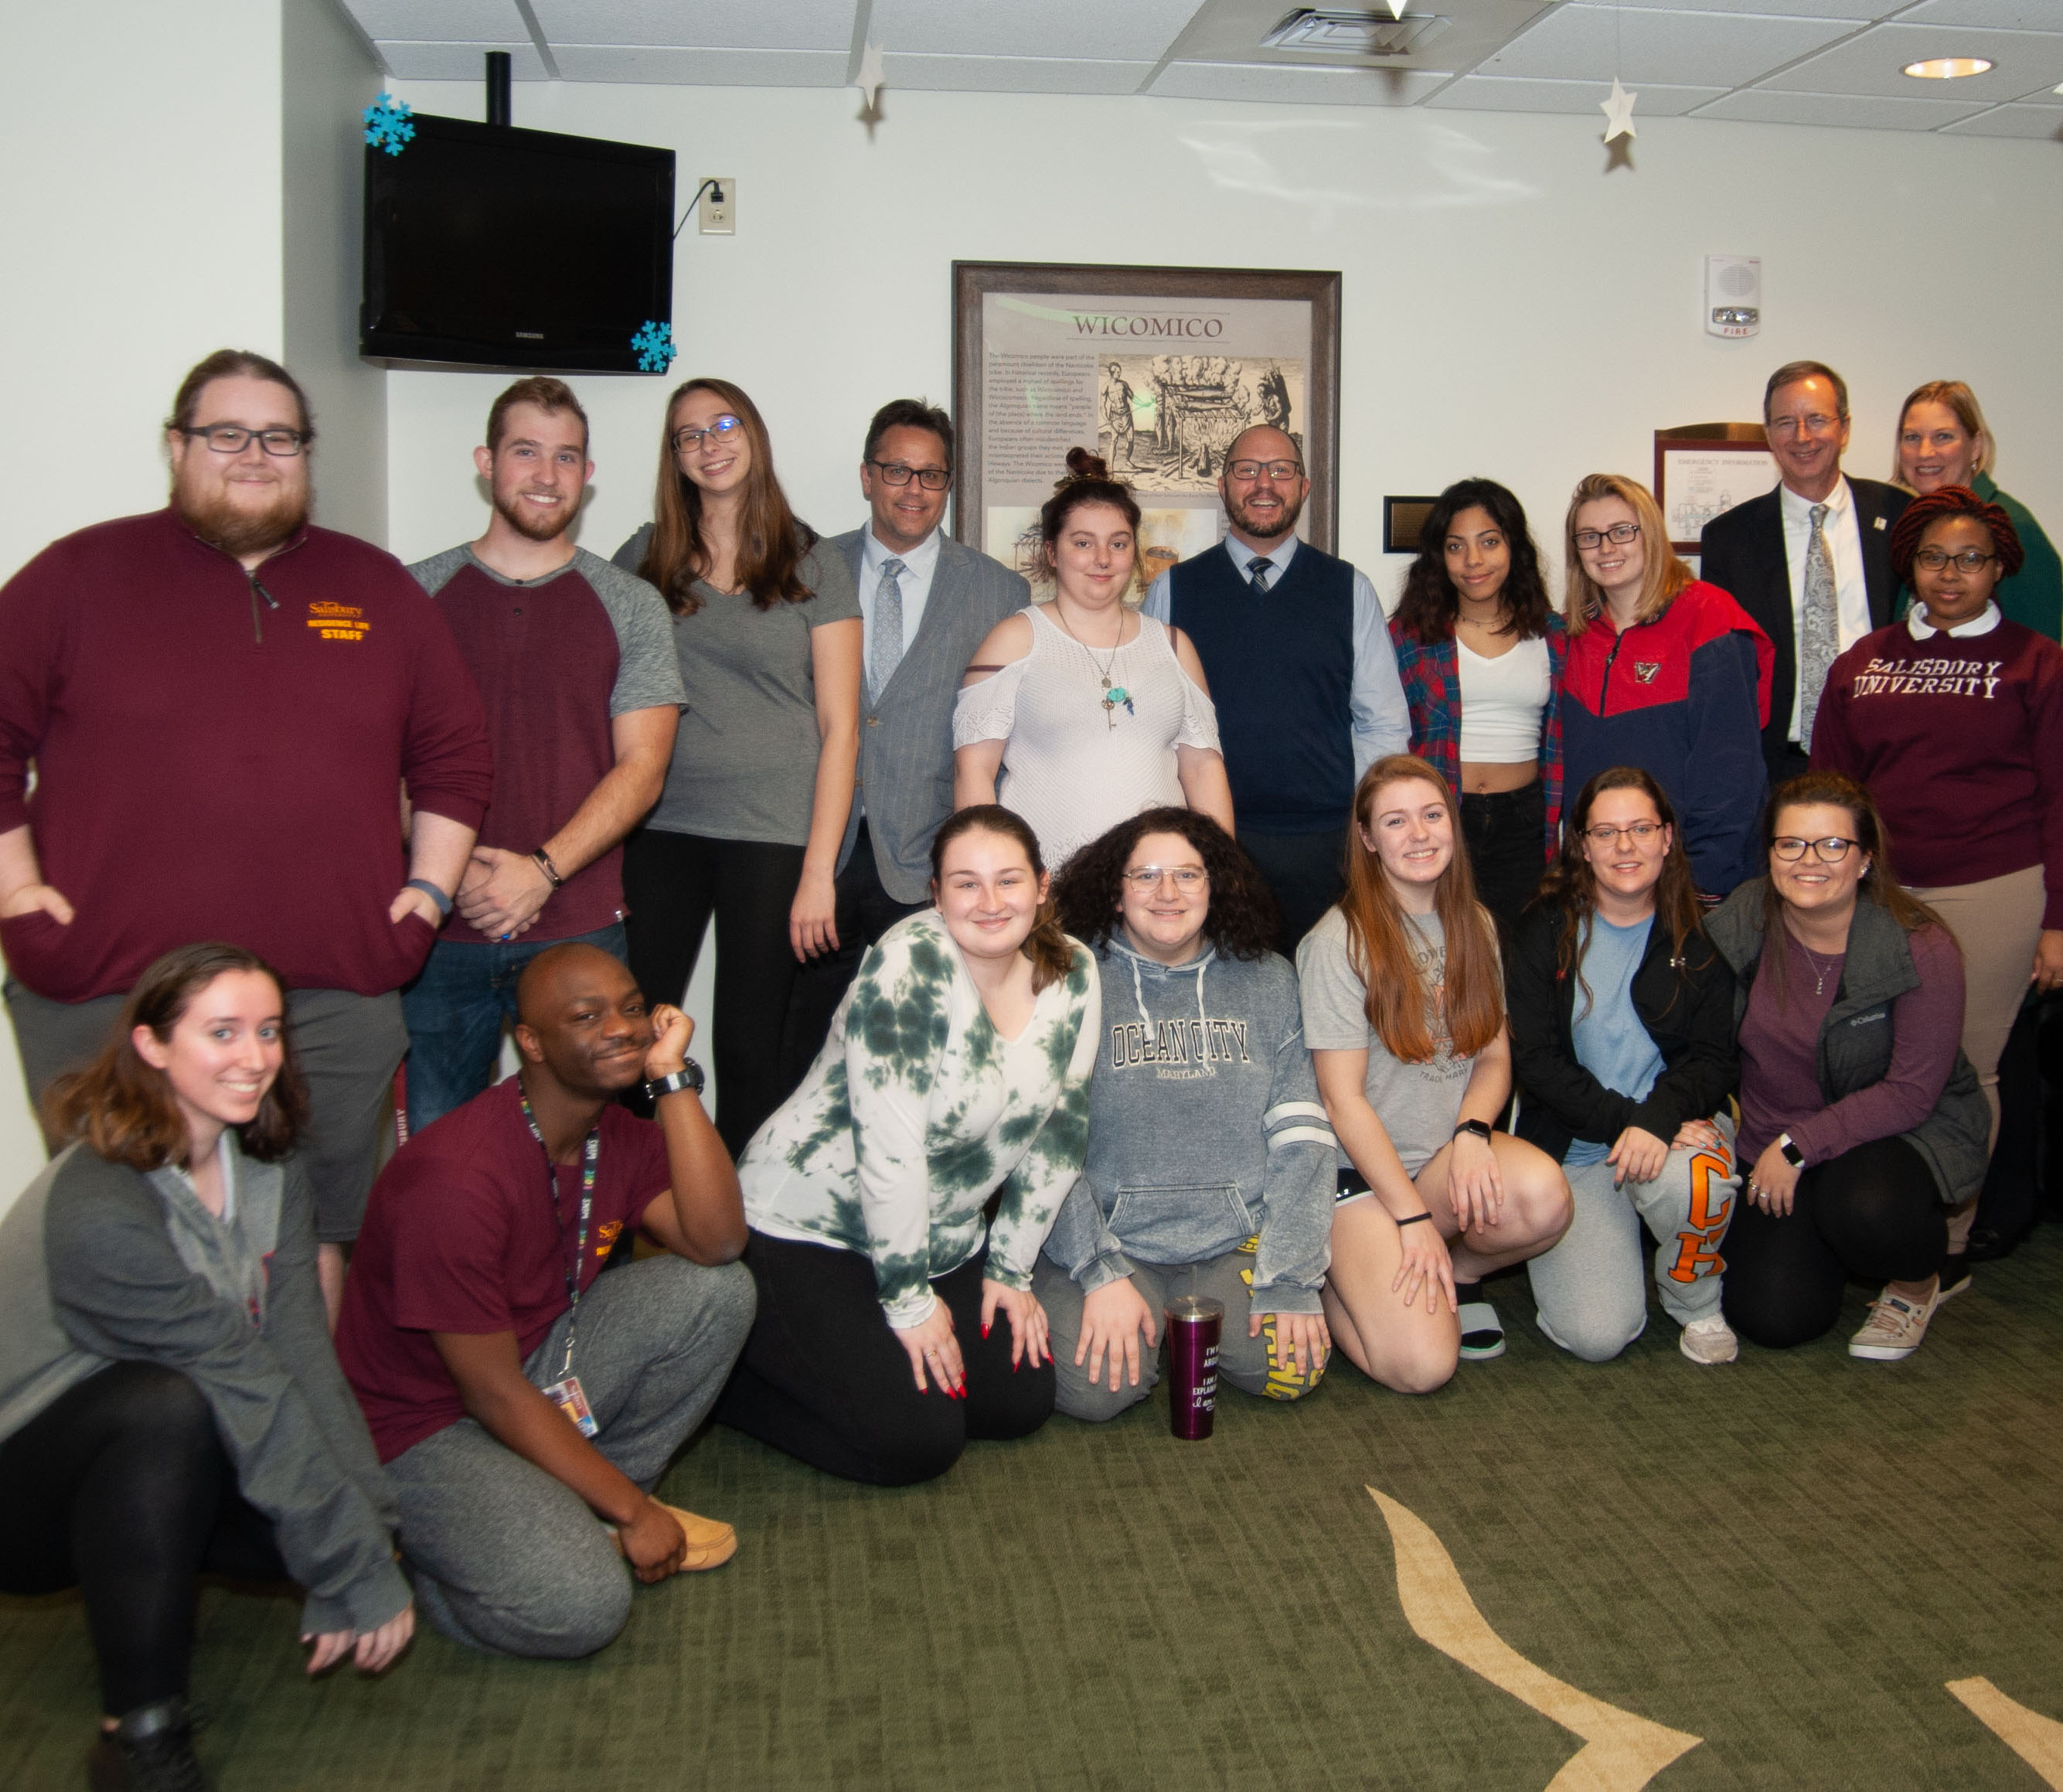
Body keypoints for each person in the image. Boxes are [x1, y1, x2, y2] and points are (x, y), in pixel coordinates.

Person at [0, 349, 492, 1319]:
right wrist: (16, 891)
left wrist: (427, 893)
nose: (255, 454)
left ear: (307, 454)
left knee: (312, 1238)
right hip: (116, 993)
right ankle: (150, 1460)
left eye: (280, 436)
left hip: (328, 997)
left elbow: (455, 759)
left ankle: (305, 1452)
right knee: (132, 1245)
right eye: (226, 433)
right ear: (177, 446)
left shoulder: (378, 589)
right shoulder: (75, 576)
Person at [0, 945, 413, 1790]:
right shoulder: (98, 1205)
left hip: (166, 1442)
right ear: (151, 1044)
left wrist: (371, 1531)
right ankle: (139, 1736)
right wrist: (347, 1565)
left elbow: (299, 1349)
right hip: (24, 1486)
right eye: (221, 1031)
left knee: (317, 1501)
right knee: (168, 1404)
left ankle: (167, 1565)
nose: (255, 1056)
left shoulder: (267, 1165)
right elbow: (239, 1377)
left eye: (267, 1031)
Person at [335, 943, 754, 1658]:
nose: (620, 1029)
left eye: (630, 1009)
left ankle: (571, 1505)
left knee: (715, 1290)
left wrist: (673, 1081)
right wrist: (633, 1511)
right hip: (419, 1429)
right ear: (529, 1041)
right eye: (586, 1017)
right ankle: (437, 1550)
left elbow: (716, 1243)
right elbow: (490, 1393)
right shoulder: (455, 1180)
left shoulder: (613, 1134)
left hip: (531, 1368)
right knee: (582, 1607)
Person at [717, 807, 1100, 1486]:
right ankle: (721, 1378)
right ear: (935, 893)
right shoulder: (909, 963)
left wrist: (1010, 1271)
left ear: (1042, 886)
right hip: (811, 1226)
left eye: (1008, 881)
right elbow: (888, 1149)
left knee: (1018, 1401)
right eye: (965, 884)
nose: (988, 904)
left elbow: (1061, 1132)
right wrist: (908, 1304)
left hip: (939, 1234)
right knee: (915, 1441)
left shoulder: (1075, 971)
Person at [401, 376, 684, 1133]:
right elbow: (380, 759)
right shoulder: (413, 594)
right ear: (485, 462)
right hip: (436, 926)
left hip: (578, 925)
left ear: (587, 475)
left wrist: (540, 871)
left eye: (566, 457)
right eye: (525, 451)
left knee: (582, 1153)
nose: (546, 474)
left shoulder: (629, 603)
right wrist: (451, 870)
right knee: (436, 1149)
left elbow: (642, 768)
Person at [1810, 486, 2063, 1283]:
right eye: (1931, 558)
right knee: (1887, 1062)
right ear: (1909, 564)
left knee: (1970, 1064)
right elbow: (1829, 789)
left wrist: (2057, 918)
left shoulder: (2037, 663)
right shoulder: (1864, 661)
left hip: (1994, 884)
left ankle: (1945, 1243)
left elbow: (2060, 796)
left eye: (1969, 559)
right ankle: (1879, 1214)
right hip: (1881, 891)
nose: (1948, 575)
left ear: (1997, 568)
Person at [612, 378, 862, 1157]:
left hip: (772, 832)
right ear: (675, 456)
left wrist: (819, 868)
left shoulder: (810, 559)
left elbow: (841, 726)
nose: (708, 443)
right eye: (688, 434)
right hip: (660, 826)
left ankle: (744, 1245)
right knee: (632, 1040)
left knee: (749, 1049)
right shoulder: (644, 556)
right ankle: (631, 1220)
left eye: (723, 424)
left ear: (751, 434)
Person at [1039, 809, 1335, 1419]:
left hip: (1232, 1237)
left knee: (1289, 1374)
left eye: (1187, 875)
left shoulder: (1269, 980)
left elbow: (1302, 1138)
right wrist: (1098, 1270)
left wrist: (1290, 1279)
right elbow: (1045, 1146)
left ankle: (1180, 1329)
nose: (1167, 893)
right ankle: (1153, 1319)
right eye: (1144, 876)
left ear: (1215, 886)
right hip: (1115, 1238)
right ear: (1114, 893)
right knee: (1098, 1394)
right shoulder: (1068, 979)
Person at [779, 400, 1029, 1087]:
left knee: (932, 1056)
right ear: (866, 476)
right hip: (813, 853)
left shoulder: (998, 591)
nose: (914, 490)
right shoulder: (803, 569)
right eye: (897, 471)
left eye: (931, 476)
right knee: (800, 1050)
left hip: (925, 856)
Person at [1298, 757, 1571, 1376]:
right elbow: (1343, 1103)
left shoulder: (1473, 922)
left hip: (1442, 1160)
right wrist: (1413, 1218)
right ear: (1367, 839)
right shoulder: (1337, 941)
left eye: (1432, 815)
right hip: (1358, 1179)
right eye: (1395, 821)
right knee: (1422, 1367)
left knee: (1546, 1199)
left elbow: (1495, 1054)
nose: (1419, 834)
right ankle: (1329, 1278)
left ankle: (1450, 1271)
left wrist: (1473, 1133)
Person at [1707, 773, 1989, 1358]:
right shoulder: (1744, 917)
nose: (1810, 861)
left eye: (1832, 845)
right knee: (1773, 1319)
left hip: (1893, 1134)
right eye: (1791, 844)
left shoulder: (1918, 944)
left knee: (1865, 1207)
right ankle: (1831, 1249)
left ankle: (1916, 1285)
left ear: (1864, 859)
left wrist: (1797, 1144)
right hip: (1771, 1141)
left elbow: (1911, 1092)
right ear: (1770, 854)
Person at [1146, 425, 1412, 956]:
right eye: (1246, 470)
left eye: (1280, 470)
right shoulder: (1173, 590)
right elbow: (1151, 724)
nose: (1263, 483)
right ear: (1222, 487)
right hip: (1211, 841)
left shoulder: (1348, 589)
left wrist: (1366, 826)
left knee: (1326, 997)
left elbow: (1383, 724)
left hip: (1325, 846)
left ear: (1303, 486)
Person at [1508, 769, 1742, 1364]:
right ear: (1581, 846)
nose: (1624, 846)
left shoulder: (1699, 936)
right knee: (1598, 1337)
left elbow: (1716, 1061)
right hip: (1580, 1144)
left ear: (1666, 838)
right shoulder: (1544, 930)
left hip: (1673, 1133)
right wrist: (1630, 1120)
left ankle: (1695, 1299)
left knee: (1697, 1182)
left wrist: (1657, 1118)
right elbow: (1534, 1061)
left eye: (1640, 828)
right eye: (1605, 832)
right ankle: (1619, 1237)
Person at [954, 449, 1232, 864]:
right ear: (1052, 552)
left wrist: (1221, 872)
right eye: (1083, 543)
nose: (1102, 559)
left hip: (1159, 889)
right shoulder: (1013, 641)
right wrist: (997, 877)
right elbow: (973, 773)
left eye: (1118, 544)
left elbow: (1203, 770)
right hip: (1049, 887)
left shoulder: (1174, 647)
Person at [1561, 473, 1773, 900]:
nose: (1606, 548)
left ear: (1652, 535)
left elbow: (1732, 771)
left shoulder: (1709, 618)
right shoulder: (1574, 635)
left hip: (1687, 880)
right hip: (1597, 877)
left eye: (1622, 531)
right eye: (1589, 537)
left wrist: (1704, 879)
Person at [1699, 360, 1909, 785]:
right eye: (1785, 423)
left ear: (1844, 428)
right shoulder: (1728, 539)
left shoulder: (1899, 515)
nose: (1802, 436)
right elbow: (1724, 669)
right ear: (1768, 436)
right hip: (1778, 766)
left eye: (1816, 419)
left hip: (1886, 755)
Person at [1389, 478, 1566, 945]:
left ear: (1514, 547)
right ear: (1438, 558)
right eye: (1456, 546)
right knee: (1435, 949)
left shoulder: (1555, 634)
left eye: (1489, 542)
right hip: (1438, 816)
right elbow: (1386, 734)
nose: (1474, 561)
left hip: (1524, 819)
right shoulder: (1409, 636)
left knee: (1515, 952)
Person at [1892, 380, 2061, 640]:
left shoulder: (2011, 527)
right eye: (1912, 437)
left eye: (1943, 436)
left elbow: (2037, 655)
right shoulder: (1912, 525)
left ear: (1976, 446)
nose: (1924, 452)